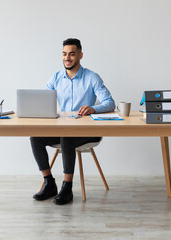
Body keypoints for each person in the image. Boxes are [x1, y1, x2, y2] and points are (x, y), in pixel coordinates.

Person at [30, 38, 115, 205]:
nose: (67, 58)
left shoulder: (92, 77)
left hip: (87, 132)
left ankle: (67, 187)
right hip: (63, 129)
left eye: (72, 54)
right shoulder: (55, 78)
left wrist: (93, 108)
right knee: (35, 137)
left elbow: (110, 103)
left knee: (66, 137)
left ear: (80, 55)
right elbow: (44, 102)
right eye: (64, 54)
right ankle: (49, 183)